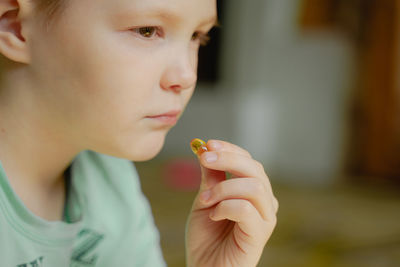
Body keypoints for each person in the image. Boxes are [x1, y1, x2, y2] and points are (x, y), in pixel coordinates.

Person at [0, 0, 278, 266]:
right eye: (147, 31)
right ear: (15, 26)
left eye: (197, 36)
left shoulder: (110, 181)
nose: (187, 76)